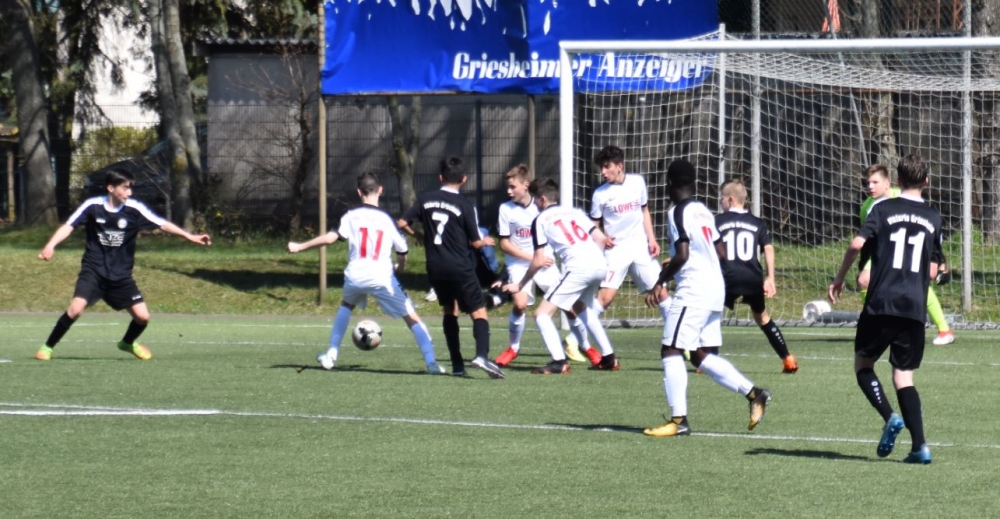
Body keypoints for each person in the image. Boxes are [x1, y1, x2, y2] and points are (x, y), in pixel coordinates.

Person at [643, 159, 772, 437]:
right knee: (701, 355)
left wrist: (660, 281)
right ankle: (755, 394)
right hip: (715, 288)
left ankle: (678, 420)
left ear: (669, 184)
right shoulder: (703, 210)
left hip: (694, 289)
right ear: (693, 183)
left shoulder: (677, 211)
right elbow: (720, 252)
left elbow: (683, 255)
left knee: (671, 350)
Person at [829, 154, 941, 464]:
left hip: (881, 302)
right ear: (926, 181)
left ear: (898, 181)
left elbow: (856, 245)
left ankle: (890, 416)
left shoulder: (882, 208)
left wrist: (839, 278)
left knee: (863, 365)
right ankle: (920, 447)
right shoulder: (933, 217)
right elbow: (933, 271)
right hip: (914, 307)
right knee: (904, 377)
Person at [35, 168, 212, 361]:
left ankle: (127, 342)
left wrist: (189, 236)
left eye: (130, 188)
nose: (130, 192)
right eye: (125, 188)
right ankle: (47, 347)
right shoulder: (93, 206)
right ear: (111, 188)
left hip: (121, 275)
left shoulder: (134, 209)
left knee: (143, 318)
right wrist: (51, 245)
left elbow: (162, 224)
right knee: (75, 309)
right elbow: (69, 226)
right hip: (94, 270)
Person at [287, 172, 444, 374]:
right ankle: (431, 363)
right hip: (382, 278)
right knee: (411, 318)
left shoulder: (350, 215)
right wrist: (400, 267)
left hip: (355, 276)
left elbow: (330, 238)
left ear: (359, 192)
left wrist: (300, 246)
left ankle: (331, 355)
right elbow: (403, 251)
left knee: (346, 305)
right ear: (380, 190)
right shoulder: (387, 219)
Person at [398, 156, 506, 379]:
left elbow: (402, 223)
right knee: (479, 311)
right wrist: (485, 242)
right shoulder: (465, 204)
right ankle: (482, 356)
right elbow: (475, 242)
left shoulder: (426, 198)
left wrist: (420, 236)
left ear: (440, 177)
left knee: (450, 310)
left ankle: (457, 364)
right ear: (464, 179)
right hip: (460, 266)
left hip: (435, 267)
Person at [494, 167, 607, 369]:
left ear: (526, 185)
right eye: (507, 187)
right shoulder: (506, 209)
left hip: (545, 262)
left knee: (571, 306)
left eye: (512, 187)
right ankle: (513, 348)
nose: (509, 191)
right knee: (520, 304)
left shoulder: (541, 208)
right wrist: (532, 258)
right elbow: (504, 244)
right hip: (520, 263)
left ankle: (586, 347)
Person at [579, 145, 668, 370]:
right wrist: (601, 239)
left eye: (607, 167)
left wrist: (652, 239)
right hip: (616, 251)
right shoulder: (600, 194)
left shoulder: (637, 182)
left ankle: (679, 342)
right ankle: (576, 338)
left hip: (640, 248)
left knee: (662, 293)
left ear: (620, 166)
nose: (603, 172)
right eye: (601, 168)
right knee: (605, 299)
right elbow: (593, 225)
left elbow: (644, 211)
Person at [857, 164, 955, 346]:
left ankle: (944, 328)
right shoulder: (867, 207)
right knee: (864, 280)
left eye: (875, 182)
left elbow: (929, 231)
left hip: (909, 249)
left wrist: (941, 262)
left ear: (888, 183)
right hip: (885, 251)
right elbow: (867, 241)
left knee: (914, 280)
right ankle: (876, 323)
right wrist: (863, 264)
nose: (870, 187)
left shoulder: (900, 196)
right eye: (868, 183)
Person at [716, 179, 799, 374]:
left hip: (727, 276)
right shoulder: (757, 222)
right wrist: (770, 278)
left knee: (710, 315)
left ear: (730, 199)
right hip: (752, 277)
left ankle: (707, 358)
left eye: (721, 199)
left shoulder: (717, 221)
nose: (720, 202)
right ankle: (787, 359)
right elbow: (768, 248)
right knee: (762, 318)